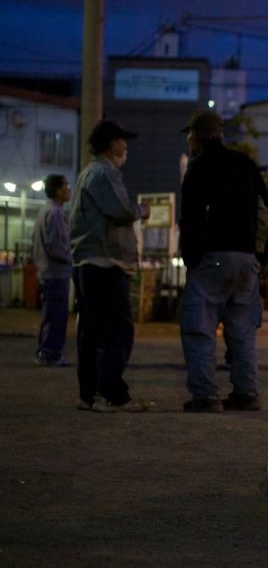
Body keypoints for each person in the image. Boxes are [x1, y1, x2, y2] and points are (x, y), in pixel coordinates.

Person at [178, 110, 268, 413]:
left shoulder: (198, 168)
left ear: (197, 137)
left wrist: (192, 257)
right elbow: (263, 212)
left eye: (189, 136)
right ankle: (246, 392)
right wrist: (258, 255)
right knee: (242, 331)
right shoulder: (245, 165)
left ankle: (206, 395)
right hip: (246, 260)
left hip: (212, 259)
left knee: (200, 328)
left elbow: (190, 219)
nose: (189, 142)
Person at [69, 119, 153, 413]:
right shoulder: (104, 173)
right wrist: (141, 210)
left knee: (91, 332)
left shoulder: (86, 174)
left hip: (88, 263)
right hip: (106, 263)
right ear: (110, 144)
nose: (125, 146)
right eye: (121, 140)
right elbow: (120, 210)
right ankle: (113, 395)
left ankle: (89, 394)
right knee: (115, 332)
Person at [32, 174, 72, 367]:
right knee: (56, 315)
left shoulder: (43, 212)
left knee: (49, 314)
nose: (69, 190)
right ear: (58, 190)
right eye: (66, 186)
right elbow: (56, 246)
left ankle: (45, 351)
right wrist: (71, 257)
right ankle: (50, 354)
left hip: (46, 271)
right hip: (56, 273)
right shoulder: (55, 213)